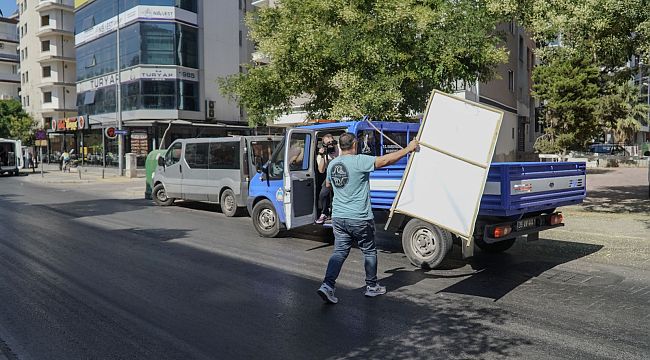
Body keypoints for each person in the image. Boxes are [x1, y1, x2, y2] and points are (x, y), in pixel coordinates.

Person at [317, 132, 419, 304]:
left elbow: (328, 185)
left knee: (340, 252)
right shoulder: (360, 160)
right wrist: (408, 149)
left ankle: (327, 285)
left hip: (339, 217)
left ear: (340, 146)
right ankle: (372, 287)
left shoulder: (333, 163)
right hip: (359, 217)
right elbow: (386, 160)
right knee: (369, 250)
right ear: (355, 144)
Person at [315, 134, 339, 224]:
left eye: (332, 142)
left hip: (340, 175)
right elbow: (321, 170)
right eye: (328, 143)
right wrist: (323, 156)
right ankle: (324, 213)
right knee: (323, 194)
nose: (331, 145)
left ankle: (335, 213)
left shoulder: (339, 149)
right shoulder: (322, 155)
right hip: (330, 176)